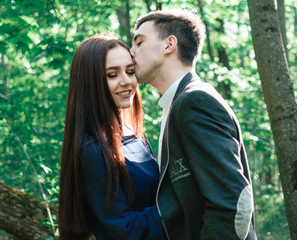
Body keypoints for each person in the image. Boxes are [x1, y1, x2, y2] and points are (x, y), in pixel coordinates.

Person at [130, 10, 257, 240]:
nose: (131, 52)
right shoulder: (177, 104)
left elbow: (233, 205)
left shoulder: (195, 101)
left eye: (139, 42)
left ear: (169, 44)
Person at [58, 36, 167, 240]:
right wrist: (181, 205)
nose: (127, 81)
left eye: (130, 71)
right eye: (112, 74)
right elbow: (125, 230)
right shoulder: (92, 150)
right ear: (90, 83)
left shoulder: (134, 133)